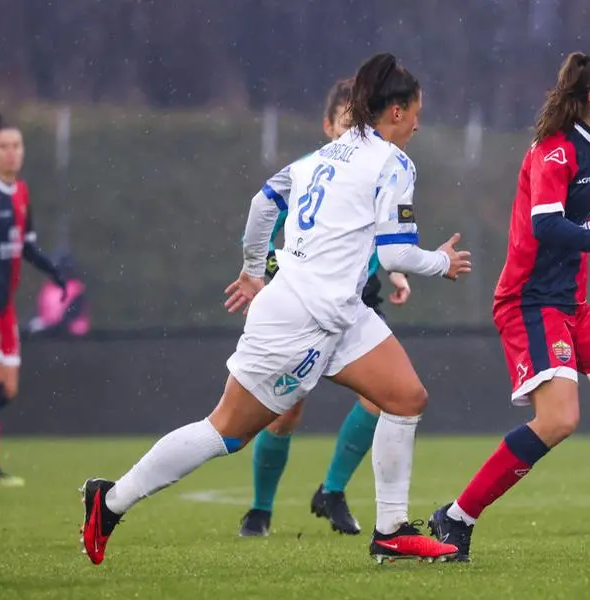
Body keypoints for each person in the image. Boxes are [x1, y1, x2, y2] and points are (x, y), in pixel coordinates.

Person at [80, 52, 471, 566]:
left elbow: (264, 203)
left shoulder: (325, 155)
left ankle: (391, 531)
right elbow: (395, 252)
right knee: (226, 431)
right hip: (301, 318)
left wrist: (252, 269)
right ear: (395, 112)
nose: (419, 123)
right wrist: (440, 263)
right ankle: (109, 501)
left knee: (405, 397)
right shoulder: (394, 163)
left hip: (337, 311)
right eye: (416, 112)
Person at [428, 50, 590, 561]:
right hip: (530, 304)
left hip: (570, 307)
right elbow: (546, 225)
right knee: (557, 420)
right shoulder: (555, 150)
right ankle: (455, 517)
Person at [231, 77, 414, 538]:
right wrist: (264, 270)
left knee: (384, 398)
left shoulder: (376, 168)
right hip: (302, 299)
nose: (358, 131)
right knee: (285, 409)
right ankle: (260, 508)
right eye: (348, 122)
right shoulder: (311, 175)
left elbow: (382, 232)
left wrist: (395, 271)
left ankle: (332, 490)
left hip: (356, 298)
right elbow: (273, 238)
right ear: (329, 125)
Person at [0, 115, 67, 486]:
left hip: (3, 308)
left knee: (7, 389)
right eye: (3, 146)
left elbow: (25, 244)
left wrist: (53, 270)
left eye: (17, 146)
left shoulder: (20, 192)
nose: (11, 152)